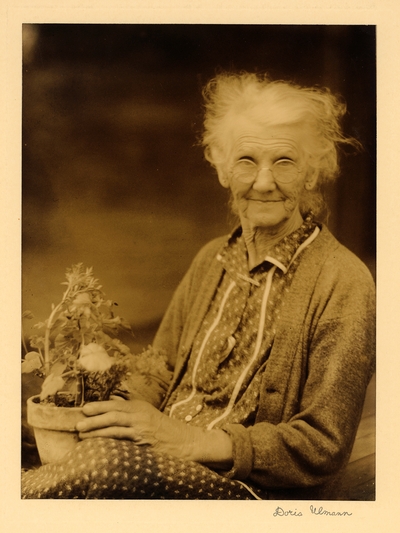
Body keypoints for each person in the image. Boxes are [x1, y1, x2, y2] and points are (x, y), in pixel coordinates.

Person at [22, 71, 375, 500]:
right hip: (151, 455)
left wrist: (185, 440)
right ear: (223, 168)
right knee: (28, 436)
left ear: (313, 172)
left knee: (102, 465)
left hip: (246, 490)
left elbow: (322, 447)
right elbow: (161, 367)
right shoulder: (213, 259)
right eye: (246, 161)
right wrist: (100, 409)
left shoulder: (344, 281)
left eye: (284, 162)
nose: (263, 182)